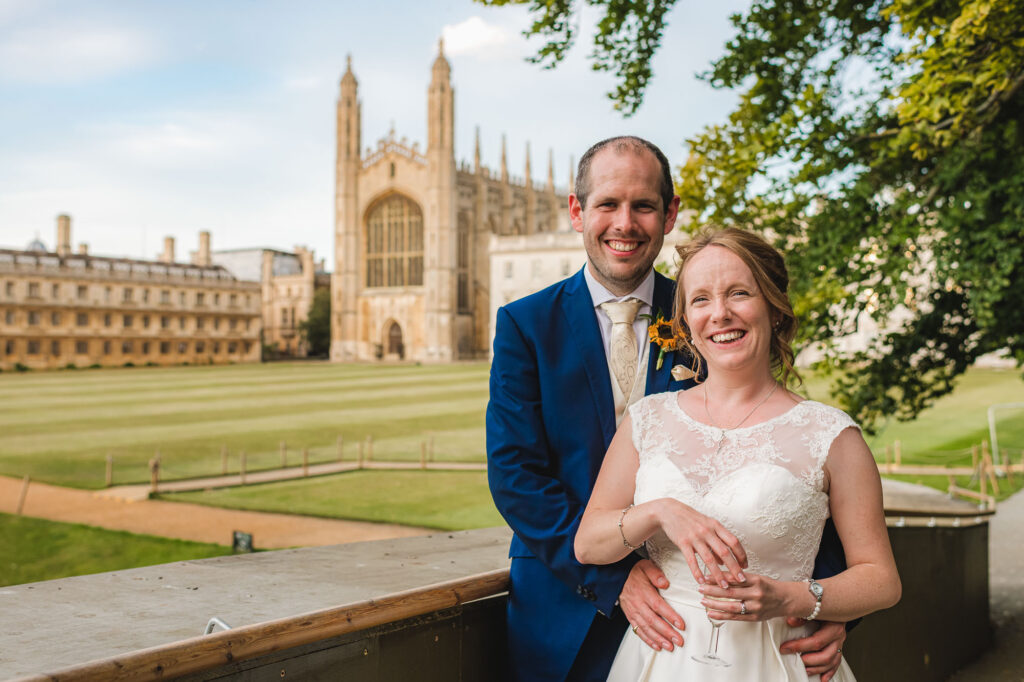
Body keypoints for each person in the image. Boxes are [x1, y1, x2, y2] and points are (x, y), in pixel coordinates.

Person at [487, 137, 850, 681]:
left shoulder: (710, 311)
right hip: (565, 605)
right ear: (577, 211)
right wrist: (615, 579)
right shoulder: (525, 325)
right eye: (608, 204)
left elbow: (793, 469)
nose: (625, 223)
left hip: (724, 628)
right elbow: (516, 475)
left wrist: (819, 603)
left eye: (644, 206)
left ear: (670, 213)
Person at [574, 226, 901, 680]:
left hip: (774, 662)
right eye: (701, 299)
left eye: (739, 293)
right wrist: (659, 512)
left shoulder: (831, 435)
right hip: (658, 662)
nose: (720, 314)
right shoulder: (647, 419)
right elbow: (588, 543)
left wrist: (793, 597)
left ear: (774, 307)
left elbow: (881, 579)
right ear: (685, 319)